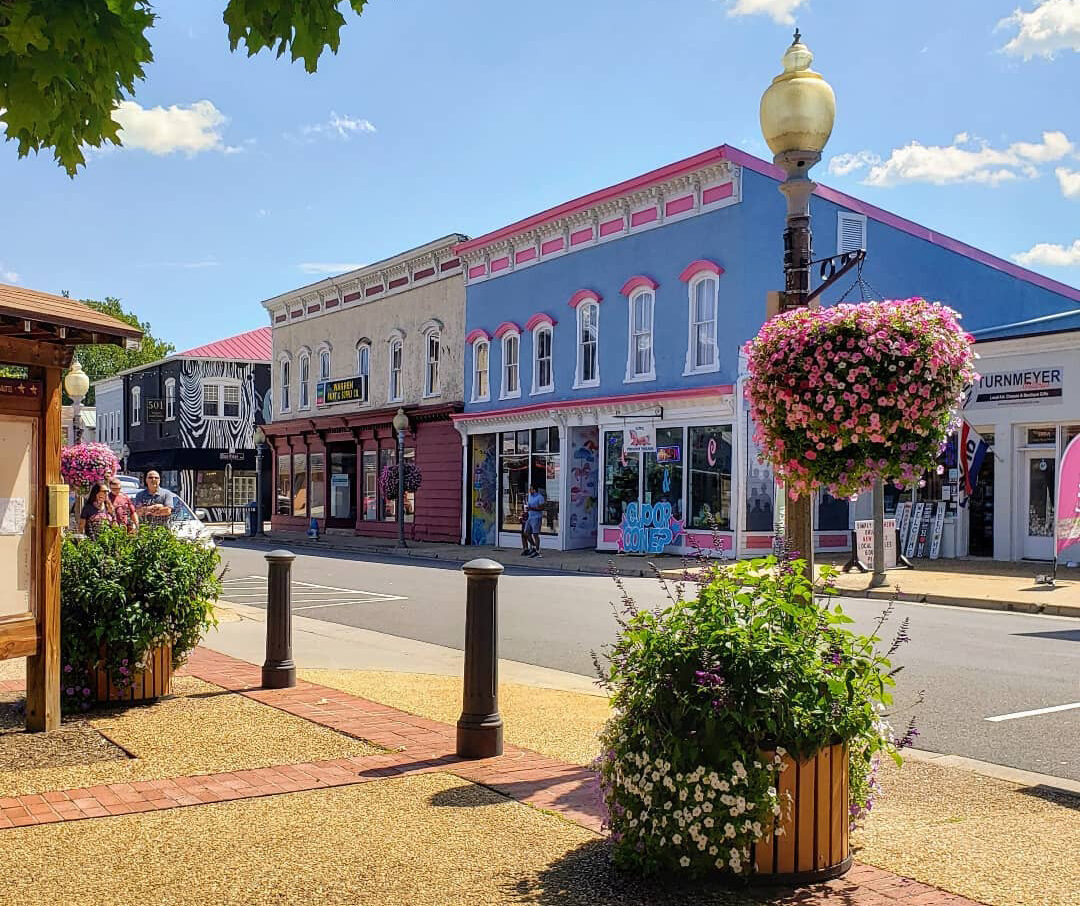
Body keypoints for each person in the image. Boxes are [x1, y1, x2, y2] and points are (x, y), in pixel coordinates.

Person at [524, 484, 545, 558]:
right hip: (530, 517)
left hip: (536, 517)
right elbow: (528, 506)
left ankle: (537, 551)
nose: (529, 490)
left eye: (531, 489)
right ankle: (533, 546)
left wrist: (531, 508)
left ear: (534, 490)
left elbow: (542, 508)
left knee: (535, 534)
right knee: (526, 532)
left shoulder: (540, 497)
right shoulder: (530, 497)